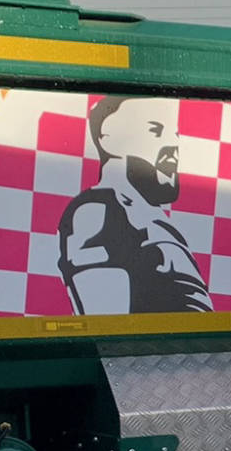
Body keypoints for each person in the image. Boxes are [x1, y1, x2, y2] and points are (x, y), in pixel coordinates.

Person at [57, 96, 212, 315]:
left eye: (175, 135)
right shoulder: (98, 209)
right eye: (155, 131)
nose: (173, 145)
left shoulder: (142, 212)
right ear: (107, 139)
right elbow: (106, 320)